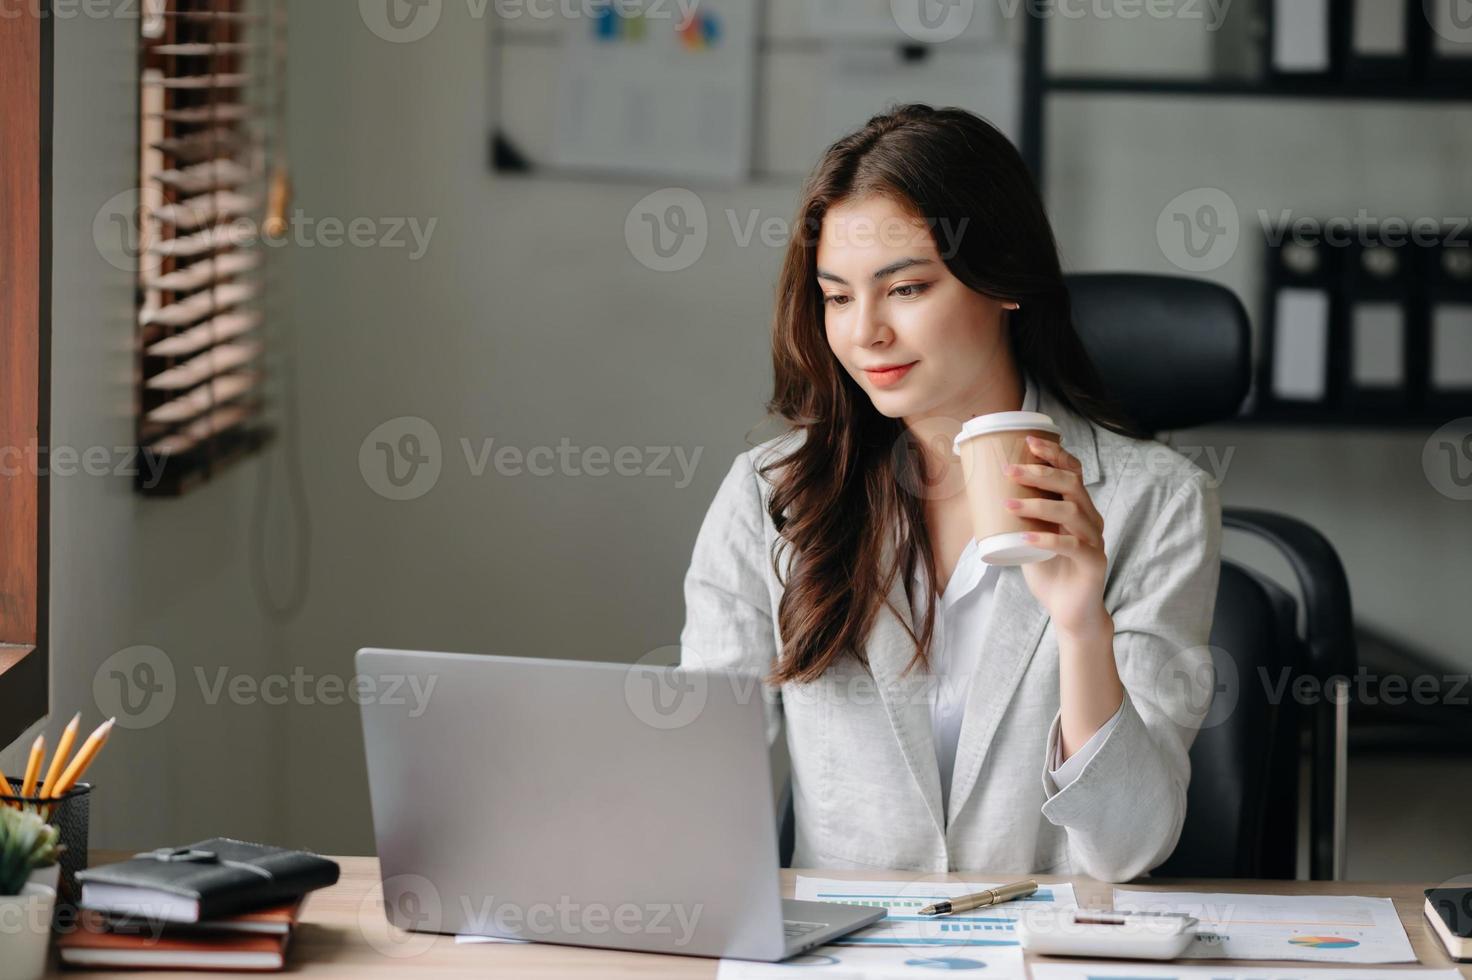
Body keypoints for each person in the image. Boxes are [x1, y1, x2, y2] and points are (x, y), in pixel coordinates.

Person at [679, 104, 1221, 882]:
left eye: (905, 289)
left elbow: (1128, 845)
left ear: (1004, 283)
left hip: (1045, 959)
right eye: (837, 297)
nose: (865, 333)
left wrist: (1080, 627)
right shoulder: (773, 496)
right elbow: (694, 776)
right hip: (843, 960)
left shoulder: (1158, 503)